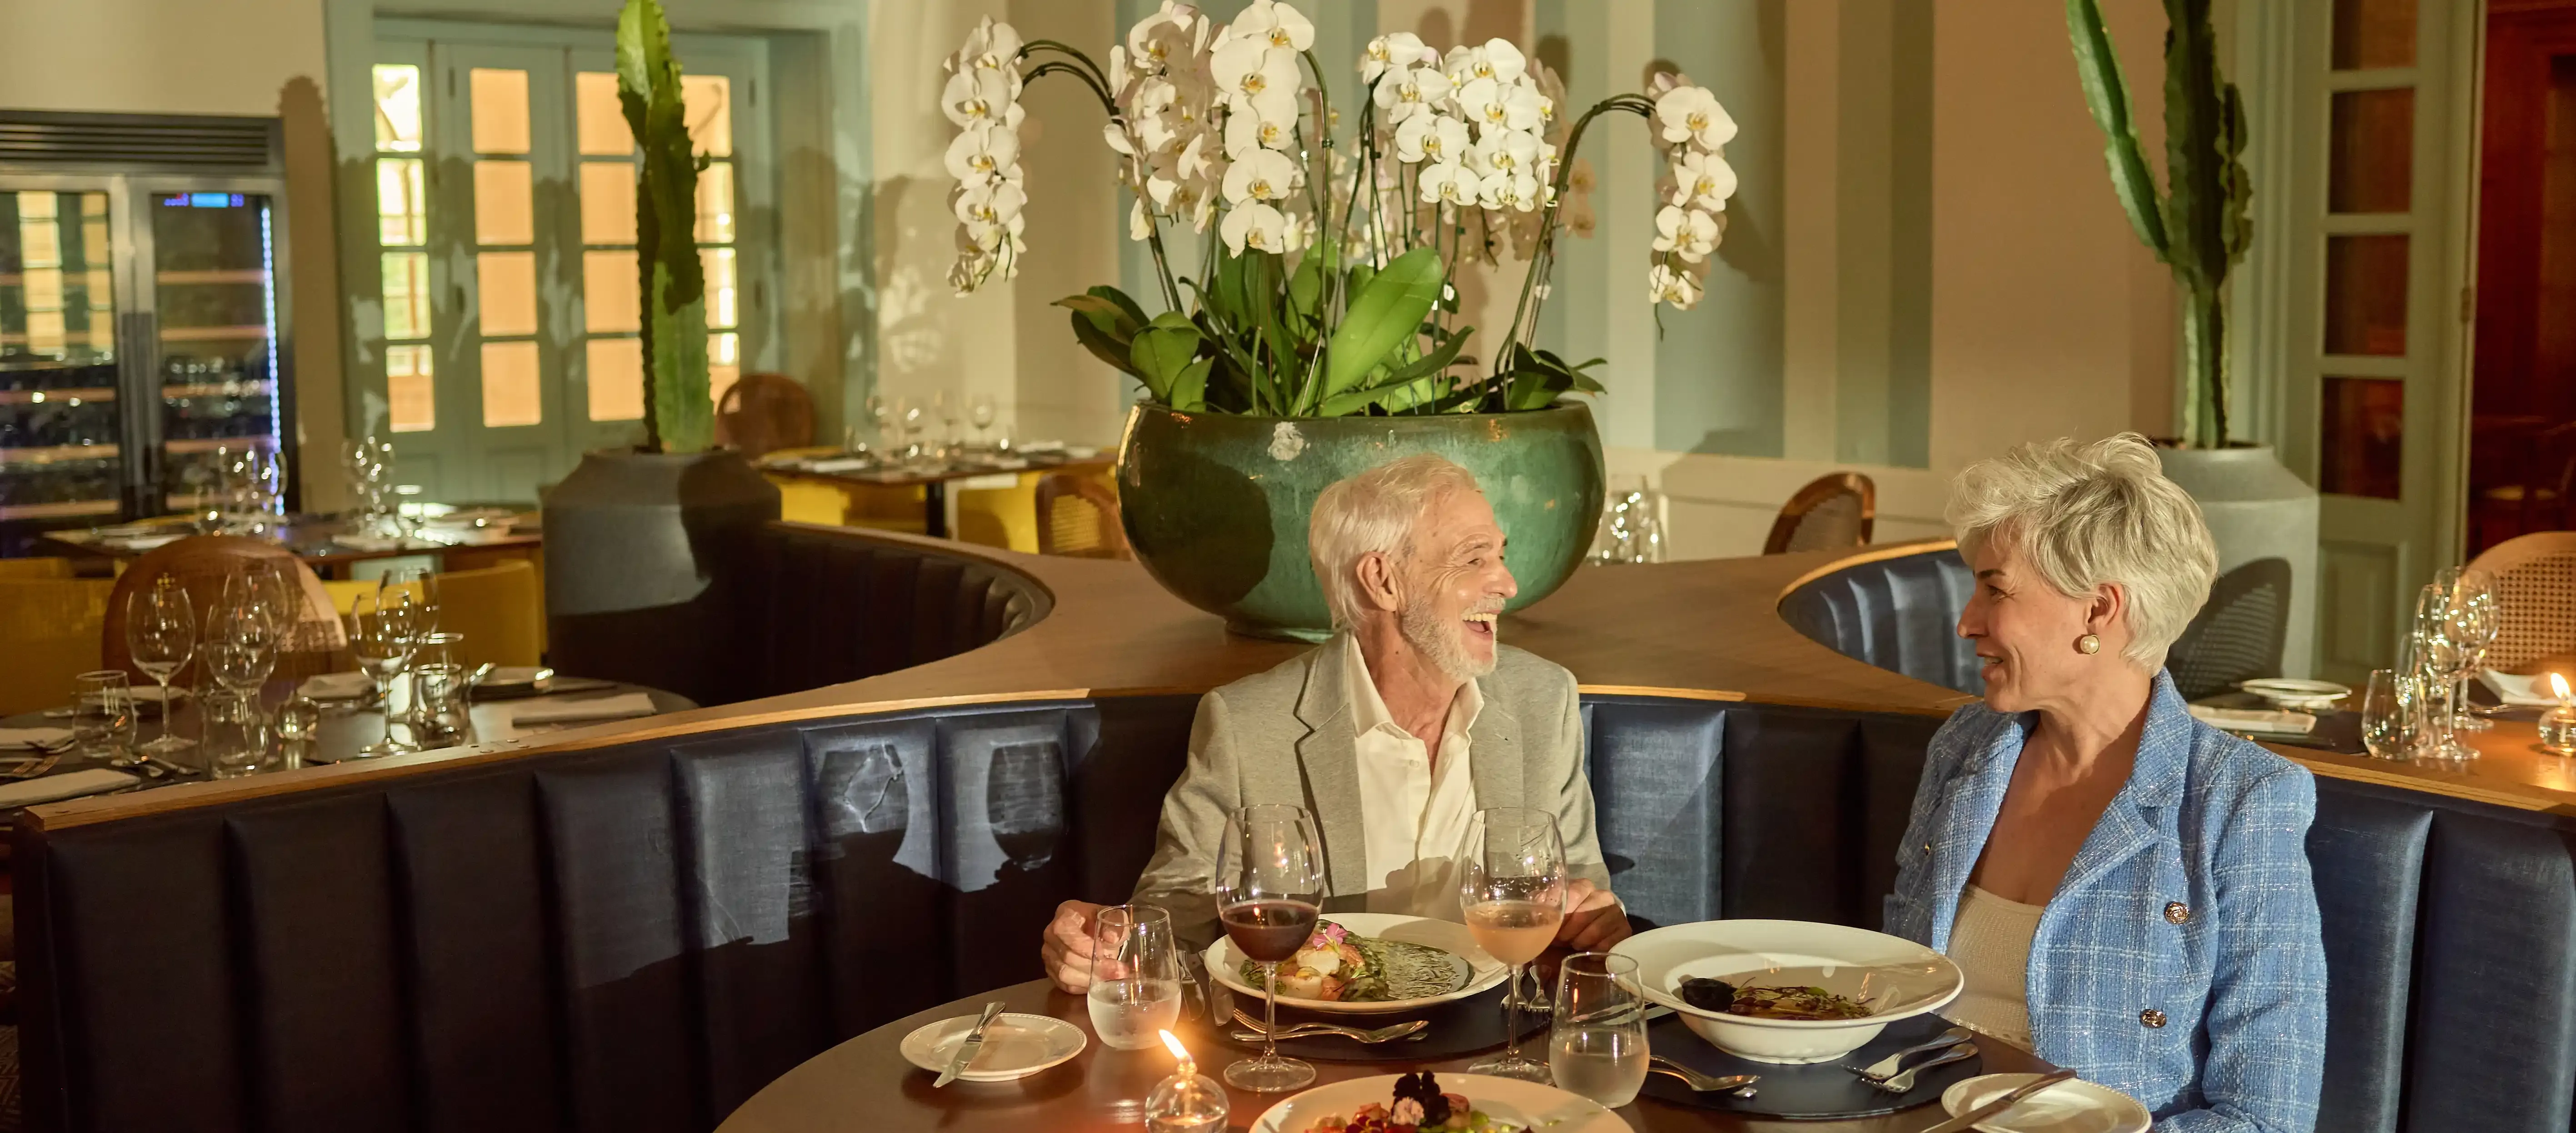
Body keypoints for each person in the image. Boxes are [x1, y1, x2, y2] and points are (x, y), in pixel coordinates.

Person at [1042, 454, 1631, 992]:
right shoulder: (1249, 725)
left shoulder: (1540, 699)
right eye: (1474, 558)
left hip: (1496, 1040)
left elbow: (1579, 890)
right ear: (1382, 580)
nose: (1506, 583)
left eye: (1500, 556)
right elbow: (1181, 927)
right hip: (1322, 1048)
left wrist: (1592, 921)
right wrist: (1107, 951)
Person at [1884, 434, 2326, 1131]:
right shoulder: (1965, 749)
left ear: (2097, 611)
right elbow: (1897, 995)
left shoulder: (2240, 802)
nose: (1967, 622)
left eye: (1994, 589)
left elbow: (2268, 1117)